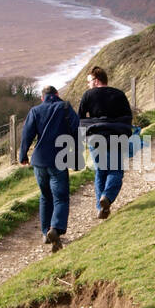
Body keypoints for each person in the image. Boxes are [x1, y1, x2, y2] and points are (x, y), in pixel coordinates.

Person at [19, 85, 80, 251]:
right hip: (59, 159)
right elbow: (77, 131)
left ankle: (46, 233)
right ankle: (56, 228)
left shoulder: (35, 111)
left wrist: (23, 155)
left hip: (39, 160)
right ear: (57, 94)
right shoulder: (66, 108)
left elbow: (27, 134)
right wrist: (76, 157)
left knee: (45, 196)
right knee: (60, 197)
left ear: (42, 98)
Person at [77, 65, 133, 219]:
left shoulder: (88, 95)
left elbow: (80, 118)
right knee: (115, 170)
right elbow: (128, 115)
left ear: (96, 80)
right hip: (116, 136)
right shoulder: (119, 94)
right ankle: (106, 198)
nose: (88, 85)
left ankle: (101, 207)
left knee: (101, 171)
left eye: (89, 81)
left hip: (95, 137)